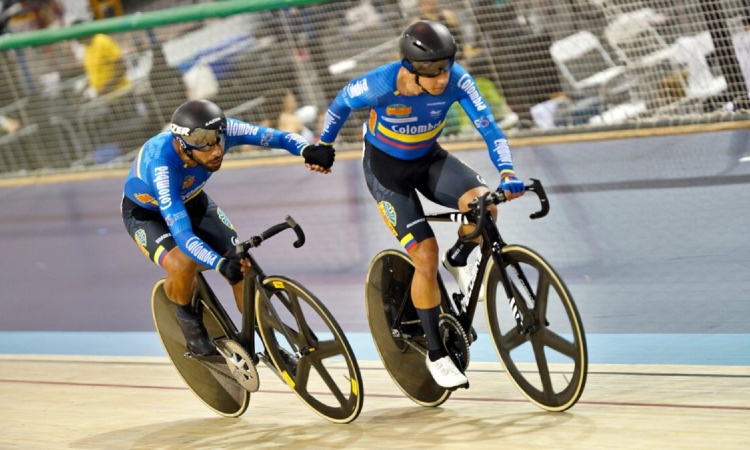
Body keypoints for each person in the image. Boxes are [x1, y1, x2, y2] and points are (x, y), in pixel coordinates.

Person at [316, 20, 524, 388]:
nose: (442, 77)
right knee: (424, 256)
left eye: (446, 65)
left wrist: (507, 172)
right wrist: (325, 146)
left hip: (429, 159)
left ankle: (459, 256)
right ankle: (436, 353)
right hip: (387, 173)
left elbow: (489, 126)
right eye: (431, 70)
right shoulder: (380, 83)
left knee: (484, 207)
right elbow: (339, 104)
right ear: (410, 67)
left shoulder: (458, 79)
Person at [121, 99, 335, 356]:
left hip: (193, 200)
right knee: (183, 263)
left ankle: (267, 341)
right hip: (148, 215)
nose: (216, 151)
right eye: (204, 146)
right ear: (182, 145)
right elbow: (183, 235)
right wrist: (220, 264)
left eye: (218, 141)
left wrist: (307, 151)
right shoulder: (162, 166)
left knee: (241, 263)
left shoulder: (220, 134)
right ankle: (187, 321)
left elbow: (278, 138)